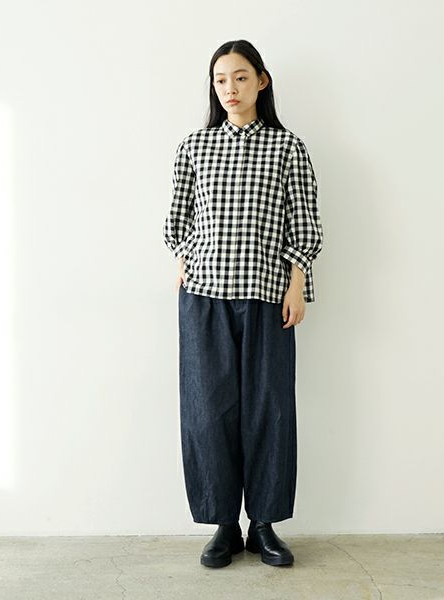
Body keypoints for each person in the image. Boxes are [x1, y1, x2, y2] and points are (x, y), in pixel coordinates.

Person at [163, 39, 324, 569]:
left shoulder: (287, 147)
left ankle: (264, 525)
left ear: (261, 81)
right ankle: (223, 526)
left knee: (269, 410)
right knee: (207, 411)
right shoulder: (195, 145)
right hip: (204, 296)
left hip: (268, 297)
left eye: (239, 77)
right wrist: (186, 257)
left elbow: (304, 221)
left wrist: (297, 284)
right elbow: (177, 219)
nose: (229, 88)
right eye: (220, 80)